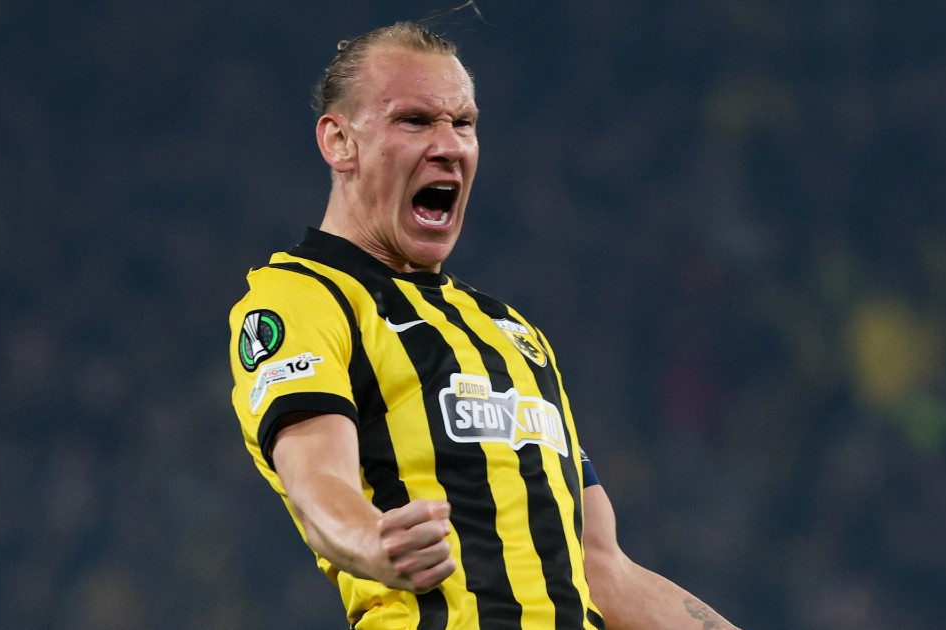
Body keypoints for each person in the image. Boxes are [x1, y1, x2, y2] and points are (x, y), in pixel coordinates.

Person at [228, 21, 743, 630]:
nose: (449, 145)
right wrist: (372, 541)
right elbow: (319, 486)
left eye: (464, 123)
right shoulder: (302, 298)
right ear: (340, 142)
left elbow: (601, 567)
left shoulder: (512, 333)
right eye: (414, 121)